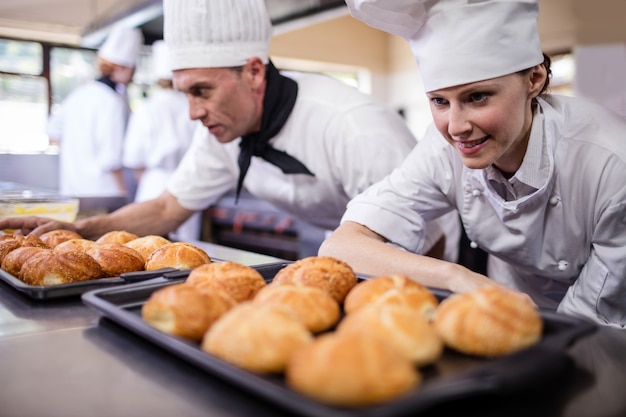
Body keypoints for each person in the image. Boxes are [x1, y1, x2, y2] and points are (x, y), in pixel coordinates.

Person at [1, 0, 456, 258]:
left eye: (202, 90)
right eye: (184, 94)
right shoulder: (222, 132)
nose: (193, 113)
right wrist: (86, 229)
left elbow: (430, 239)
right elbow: (164, 208)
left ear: (254, 72)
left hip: (418, 255)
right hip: (345, 250)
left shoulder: (354, 130)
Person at [319, 0, 626, 327]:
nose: (455, 127)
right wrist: (454, 277)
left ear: (534, 79)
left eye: (477, 97)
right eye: (439, 101)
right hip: (502, 309)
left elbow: (591, 321)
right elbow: (340, 247)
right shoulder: (441, 150)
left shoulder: (611, 164)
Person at [47, 24, 143, 198]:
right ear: (120, 68)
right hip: (104, 190)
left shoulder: (79, 93)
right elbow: (111, 158)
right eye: (132, 70)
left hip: (72, 186)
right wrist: (124, 195)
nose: (132, 77)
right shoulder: (111, 101)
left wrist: (79, 154)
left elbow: (53, 132)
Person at [123, 40, 201, 241]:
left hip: (153, 183)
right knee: (187, 250)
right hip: (190, 183)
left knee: (147, 248)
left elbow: (134, 157)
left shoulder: (147, 107)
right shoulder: (194, 105)